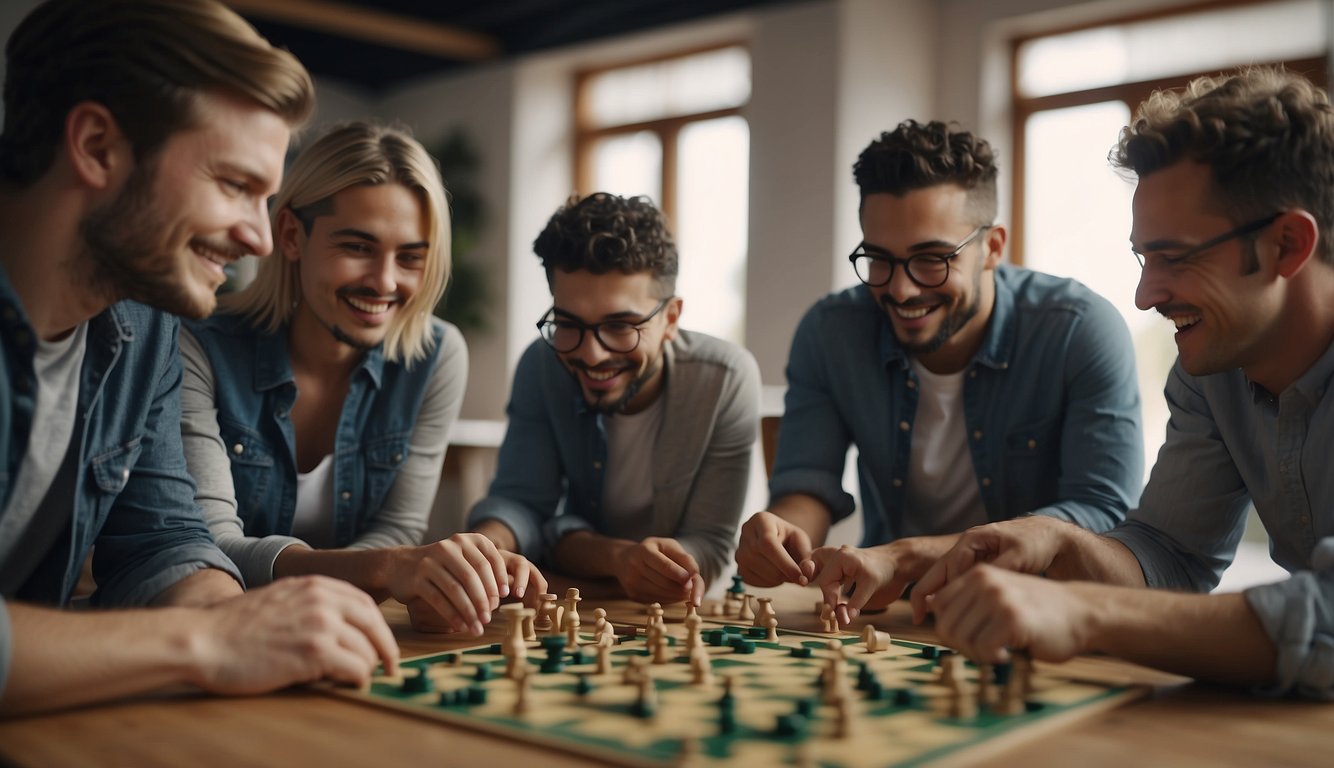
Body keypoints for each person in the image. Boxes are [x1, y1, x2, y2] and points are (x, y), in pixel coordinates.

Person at [0, 0, 398, 715]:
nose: (261, 239)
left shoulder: (142, 323)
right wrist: (206, 644)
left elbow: (162, 538)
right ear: (96, 146)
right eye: (236, 186)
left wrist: (239, 619)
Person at [910, 66, 1334, 698]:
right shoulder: (1212, 367)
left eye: (1176, 256)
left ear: (1288, 244)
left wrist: (1085, 613)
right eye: (1144, 258)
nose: (1144, 296)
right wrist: (1059, 543)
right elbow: (1172, 557)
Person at [735, 120, 1144, 621]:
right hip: (895, 616)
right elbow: (807, 484)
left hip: (1043, 618)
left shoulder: (1078, 331)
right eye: (879, 259)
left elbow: (1102, 516)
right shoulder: (830, 332)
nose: (901, 290)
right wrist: (781, 531)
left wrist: (904, 557)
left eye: (931, 259)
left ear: (992, 247)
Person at [179, 121, 545, 637]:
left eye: (411, 257)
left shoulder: (437, 356)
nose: (386, 281)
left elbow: (395, 531)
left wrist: (424, 576)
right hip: (219, 632)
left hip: (334, 633)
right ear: (290, 236)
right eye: (358, 247)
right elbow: (205, 544)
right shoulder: (198, 346)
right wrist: (386, 569)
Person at [468, 192, 761, 605]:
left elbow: (706, 554)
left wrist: (568, 546)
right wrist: (485, 549)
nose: (591, 354)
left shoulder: (725, 379)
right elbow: (521, 504)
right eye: (568, 324)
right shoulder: (542, 363)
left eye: (621, 326)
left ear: (671, 319)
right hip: (582, 613)